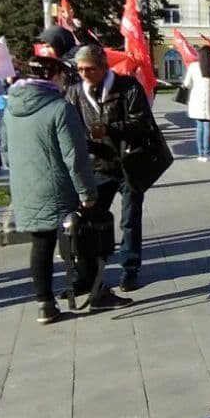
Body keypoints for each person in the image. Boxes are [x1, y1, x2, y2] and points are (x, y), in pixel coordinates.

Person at [0, 56, 100, 322]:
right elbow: (75, 157)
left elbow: (5, 149)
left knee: (41, 243)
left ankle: (45, 302)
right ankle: (94, 288)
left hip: (24, 185)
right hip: (57, 187)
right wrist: (87, 193)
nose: (65, 80)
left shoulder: (11, 108)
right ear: (52, 77)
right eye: (62, 75)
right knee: (84, 234)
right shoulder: (59, 108)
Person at [65, 45, 155, 294]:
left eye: (90, 69)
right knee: (90, 221)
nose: (84, 73)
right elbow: (69, 126)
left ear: (104, 67)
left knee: (130, 220)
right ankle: (90, 272)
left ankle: (130, 270)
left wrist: (110, 129)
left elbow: (143, 123)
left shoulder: (128, 87)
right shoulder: (74, 92)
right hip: (96, 166)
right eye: (80, 69)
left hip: (129, 164)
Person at [181, 46, 210, 161]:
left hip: (196, 100)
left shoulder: (193, 67)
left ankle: (200, 153)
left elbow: (186, 84)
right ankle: (207, 153)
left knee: (199, 126)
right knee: (207, 127)